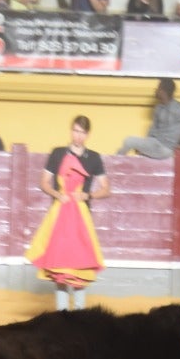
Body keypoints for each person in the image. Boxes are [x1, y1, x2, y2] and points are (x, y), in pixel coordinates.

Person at [26, 114, 110, 310]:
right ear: (71, 131)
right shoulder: (57, 154)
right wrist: (58, 194)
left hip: (82, 218)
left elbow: (106, 189)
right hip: (61, 217)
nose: (77, 136)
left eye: (81, 132)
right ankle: (62, 315)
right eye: (74, 131)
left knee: (80, 267)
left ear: (87, 134)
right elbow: (44, 183)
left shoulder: (94, 158)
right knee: (61, 267)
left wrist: (87, 196)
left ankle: (79, 315)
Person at [118, 78, 180, 159]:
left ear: (163, 91)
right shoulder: (158, 108)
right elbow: (153, 129)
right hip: (155, 144)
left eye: (158, 88)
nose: (156, 91)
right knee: (133, 143)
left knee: (129, 141)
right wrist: (145, 145)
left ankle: (115, 162)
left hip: (165, 149)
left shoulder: (178, 109)